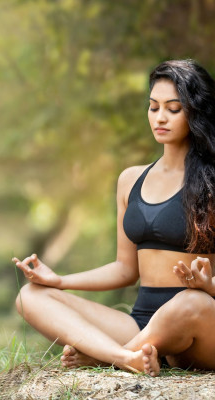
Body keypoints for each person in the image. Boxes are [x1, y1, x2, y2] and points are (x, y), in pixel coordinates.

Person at [11, 59, 215, 377]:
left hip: (200, 324)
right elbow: (124, 270)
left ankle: (107, 357)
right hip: (141, 320)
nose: (160, 117)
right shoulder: (130, 180)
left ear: (196, 112)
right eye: (153, 107)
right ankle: (126, 355)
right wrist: (60, 281)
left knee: (189, 302)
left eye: (173, 109)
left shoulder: (212, 182)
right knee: (30, 297)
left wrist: (209, 286)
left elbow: (200, 300)